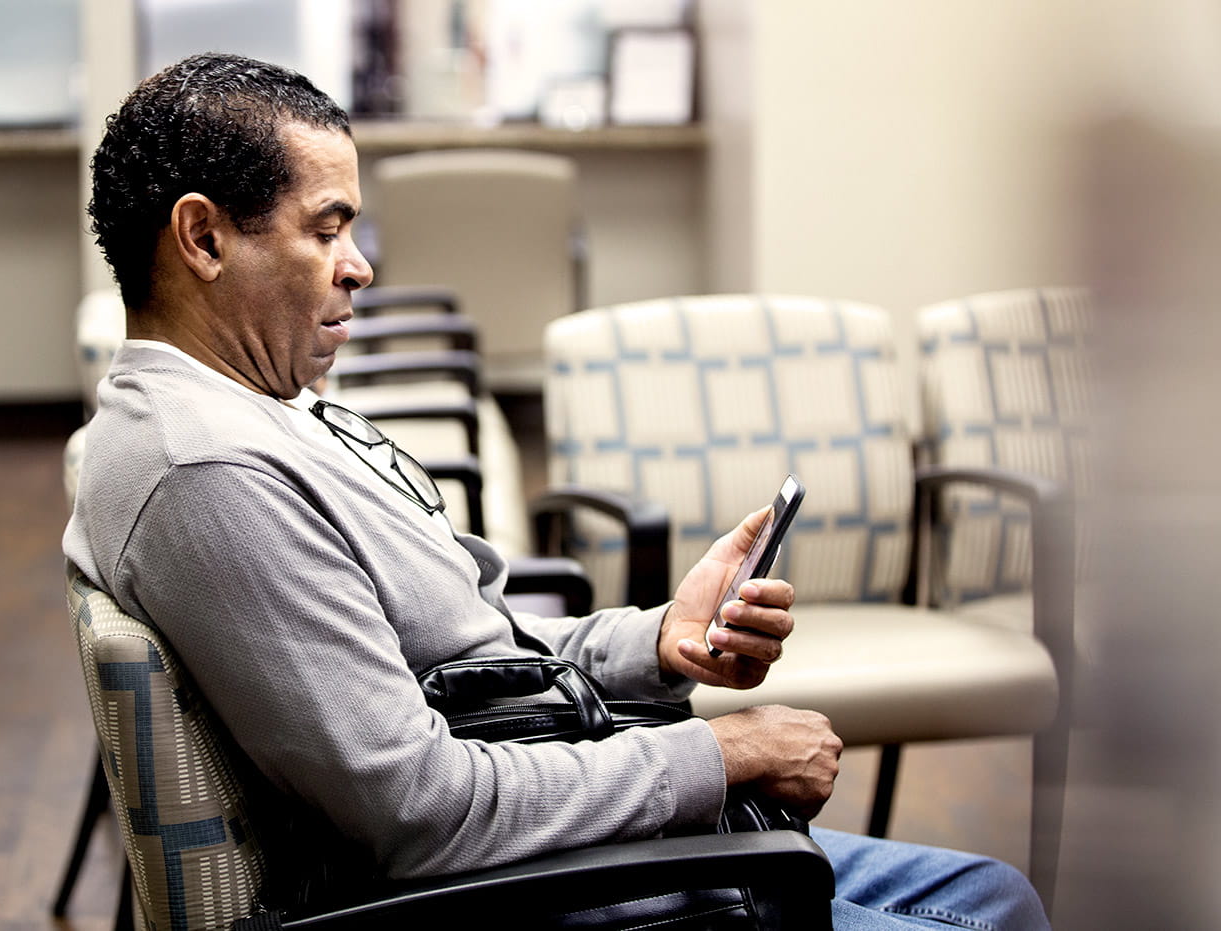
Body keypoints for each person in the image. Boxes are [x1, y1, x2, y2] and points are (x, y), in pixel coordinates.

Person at [64, 52, 1049, 929]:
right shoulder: (211, 473)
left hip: (551, 837)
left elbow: (469, 655)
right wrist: (720, 755)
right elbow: (425, 812)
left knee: (995, 894)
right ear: (201, 238)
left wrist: (656, 638)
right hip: (524, 890)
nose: (357, 267)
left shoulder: (249, 418)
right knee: (987, 906)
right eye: (327, 228)